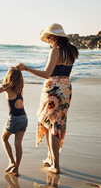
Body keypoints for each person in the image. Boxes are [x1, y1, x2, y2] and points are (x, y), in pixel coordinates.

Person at [17, 23, 78, 174]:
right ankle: (51, 158)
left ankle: (55, 166)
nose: (48, 40)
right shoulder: (71, 51)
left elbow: (46, 74)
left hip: (53, 90)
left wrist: (26, 68)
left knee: (51, 126)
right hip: (66, 88)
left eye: (49, 37)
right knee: (55, 124)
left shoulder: (55, 51)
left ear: (55, 37)